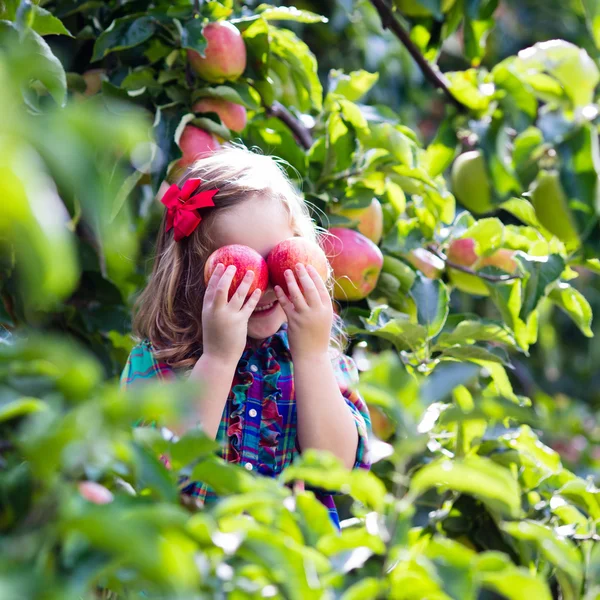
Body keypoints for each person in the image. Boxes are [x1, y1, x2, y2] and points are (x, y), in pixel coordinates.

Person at [120, 145, 371, 528]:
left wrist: (311, 358)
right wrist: (218, 360)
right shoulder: (156, 362)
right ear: (191, 275)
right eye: (239, 266)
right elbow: (158, 470)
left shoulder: (322, 360)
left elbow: (335, 470)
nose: (265, 285)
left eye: (279, 258)